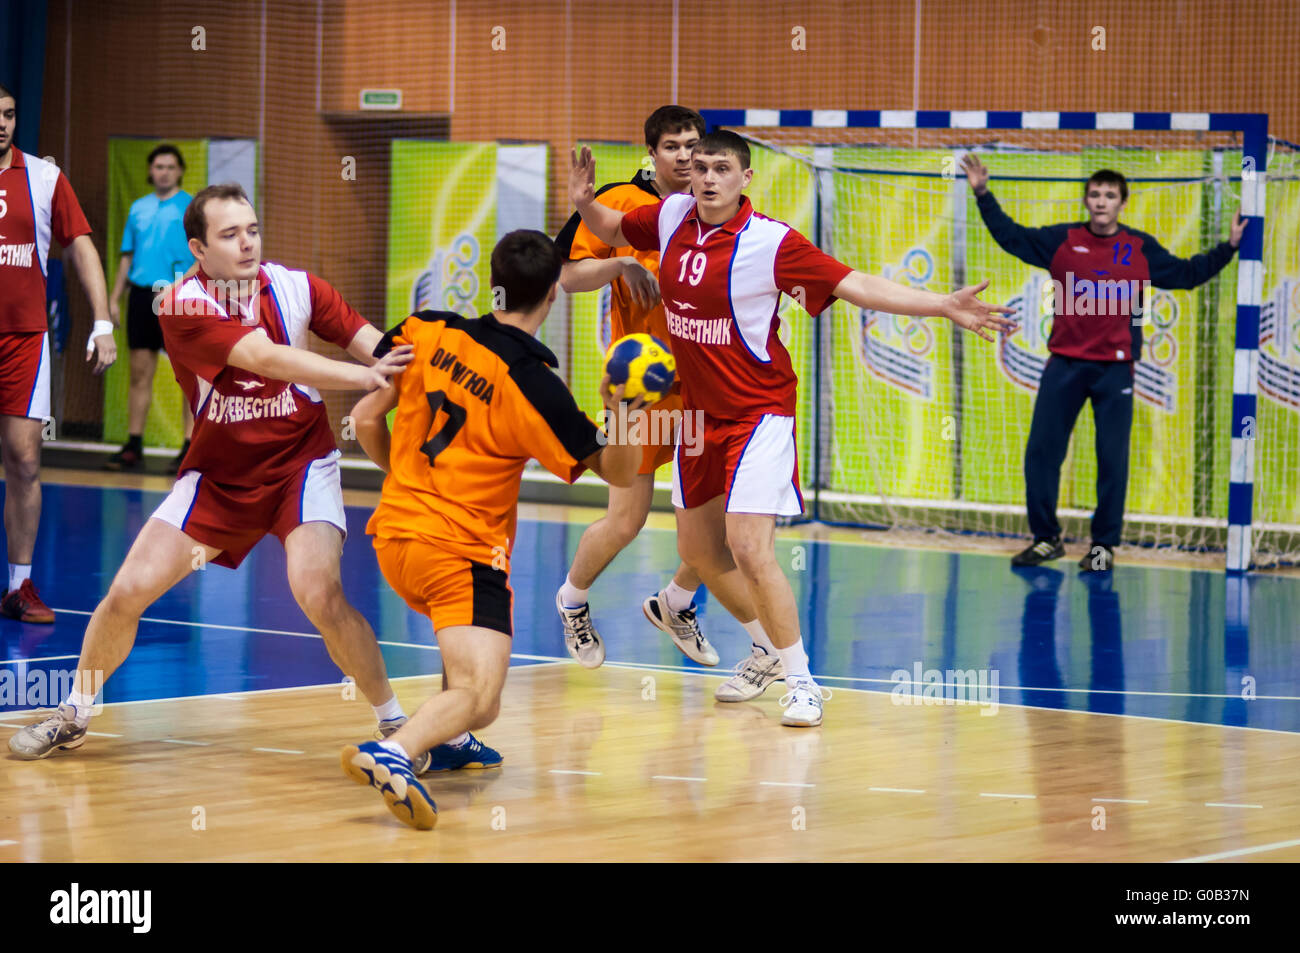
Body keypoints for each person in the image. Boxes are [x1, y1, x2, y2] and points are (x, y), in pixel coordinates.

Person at [569, 131, 1013, 726]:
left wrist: (940, 304)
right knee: (698, 549)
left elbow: (855, 285)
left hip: (758, 411)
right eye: (699, 166)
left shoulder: (771, 242)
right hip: (697, 413)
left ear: (745, 177)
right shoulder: (672, 214)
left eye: (720, 168)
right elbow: (617, 228)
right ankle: (749, 643)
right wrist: (582, 202)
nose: (705, 177)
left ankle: (802, 681)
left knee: (750, 546)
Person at [8, 184, 425, 764]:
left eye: (252, 229)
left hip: (300, 468)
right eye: (230, 235)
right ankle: (75, 711)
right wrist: (363, 377)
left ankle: (396, 724)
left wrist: (431, 360)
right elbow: (267, 358)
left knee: (318, 590)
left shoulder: (299, 287)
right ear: (198, 250)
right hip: (218, 478)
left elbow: (379, 346)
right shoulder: (181, 305)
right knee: (127, 591)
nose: (247, 242)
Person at [341, 229, 645, 829]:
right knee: (481, 698)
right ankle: (396, 751)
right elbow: (619, 472)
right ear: (555, 290)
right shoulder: (535, 387)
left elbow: (363, 415)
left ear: (494, 281)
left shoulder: (426, 328)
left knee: (473, 679)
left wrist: (403, 473)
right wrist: (625, 409)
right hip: (461, 553)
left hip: (394, 536)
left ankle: (447, 741)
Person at [960, 155, 1246, 571]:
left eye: (1110, 195)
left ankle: (1102, 549)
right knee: (1041, 453)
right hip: (1064, 367)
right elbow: (1011, 237)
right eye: (1094, 194)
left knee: (1112, 460)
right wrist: (983, 193)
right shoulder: (1063, 241)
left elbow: (1187, 274)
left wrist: (1230, 246)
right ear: (1086, 200)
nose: (1101, 201)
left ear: (1122, 203)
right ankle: (1046, 540)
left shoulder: (1139, 248)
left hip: (1115, 371)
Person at [553, 105, 718, 670]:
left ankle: (676, 601)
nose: (684, 156)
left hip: (700, 391)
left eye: (692, 145)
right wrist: (621, 266)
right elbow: (567, 277)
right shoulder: (621, 202)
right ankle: (572, 600)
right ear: (651, 153)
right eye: (672, 146)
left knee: (717, 522)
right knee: (627, 519)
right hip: (636, 390)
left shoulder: (714, 205)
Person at [0, 82, 117, 625]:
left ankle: (18, 587)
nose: (2, 123)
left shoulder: (45, 178)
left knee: (24, 460)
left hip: (24, 339)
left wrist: (101, 321)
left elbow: (81, 246)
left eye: (9, 114)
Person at [105, 144, 195, 473]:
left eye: (170, 166)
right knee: (139, 374)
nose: (164, 172)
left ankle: (190, 448)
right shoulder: (137, 209)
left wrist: (182, 286)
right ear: (150, 171)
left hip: (179, 296)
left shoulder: (191, 208)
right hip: (142, 298)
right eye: (158, 166)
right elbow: (127, 256)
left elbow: (202, 256)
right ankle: (133, 446)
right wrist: (114, 297)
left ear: (180, 171)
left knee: (188, 377)